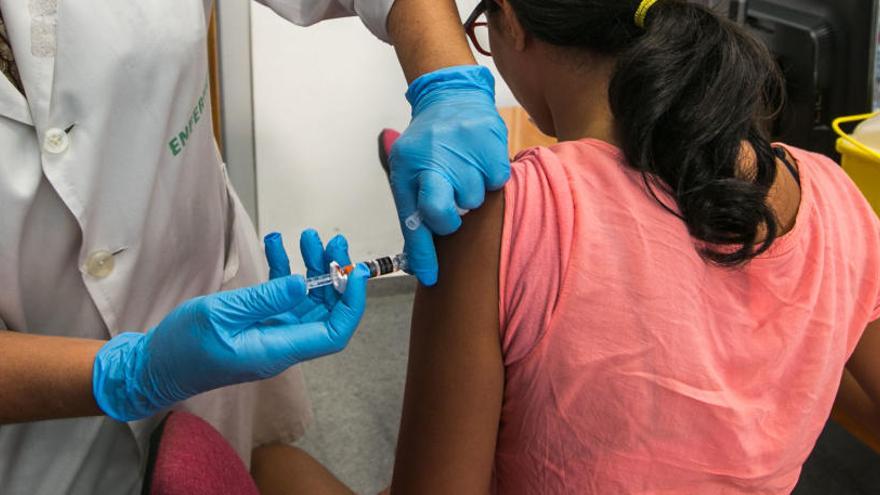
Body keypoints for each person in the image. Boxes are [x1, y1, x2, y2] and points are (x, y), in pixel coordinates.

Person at [253, 0, 880, 493]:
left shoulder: (505, 215)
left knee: (266, 462)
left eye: (480, 26)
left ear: (514, 22)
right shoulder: (833, 193)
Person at [0, 1, 509, 494]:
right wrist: (131, 373)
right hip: (34, 424)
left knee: (227, 463)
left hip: (193, 274)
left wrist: (446, 82)